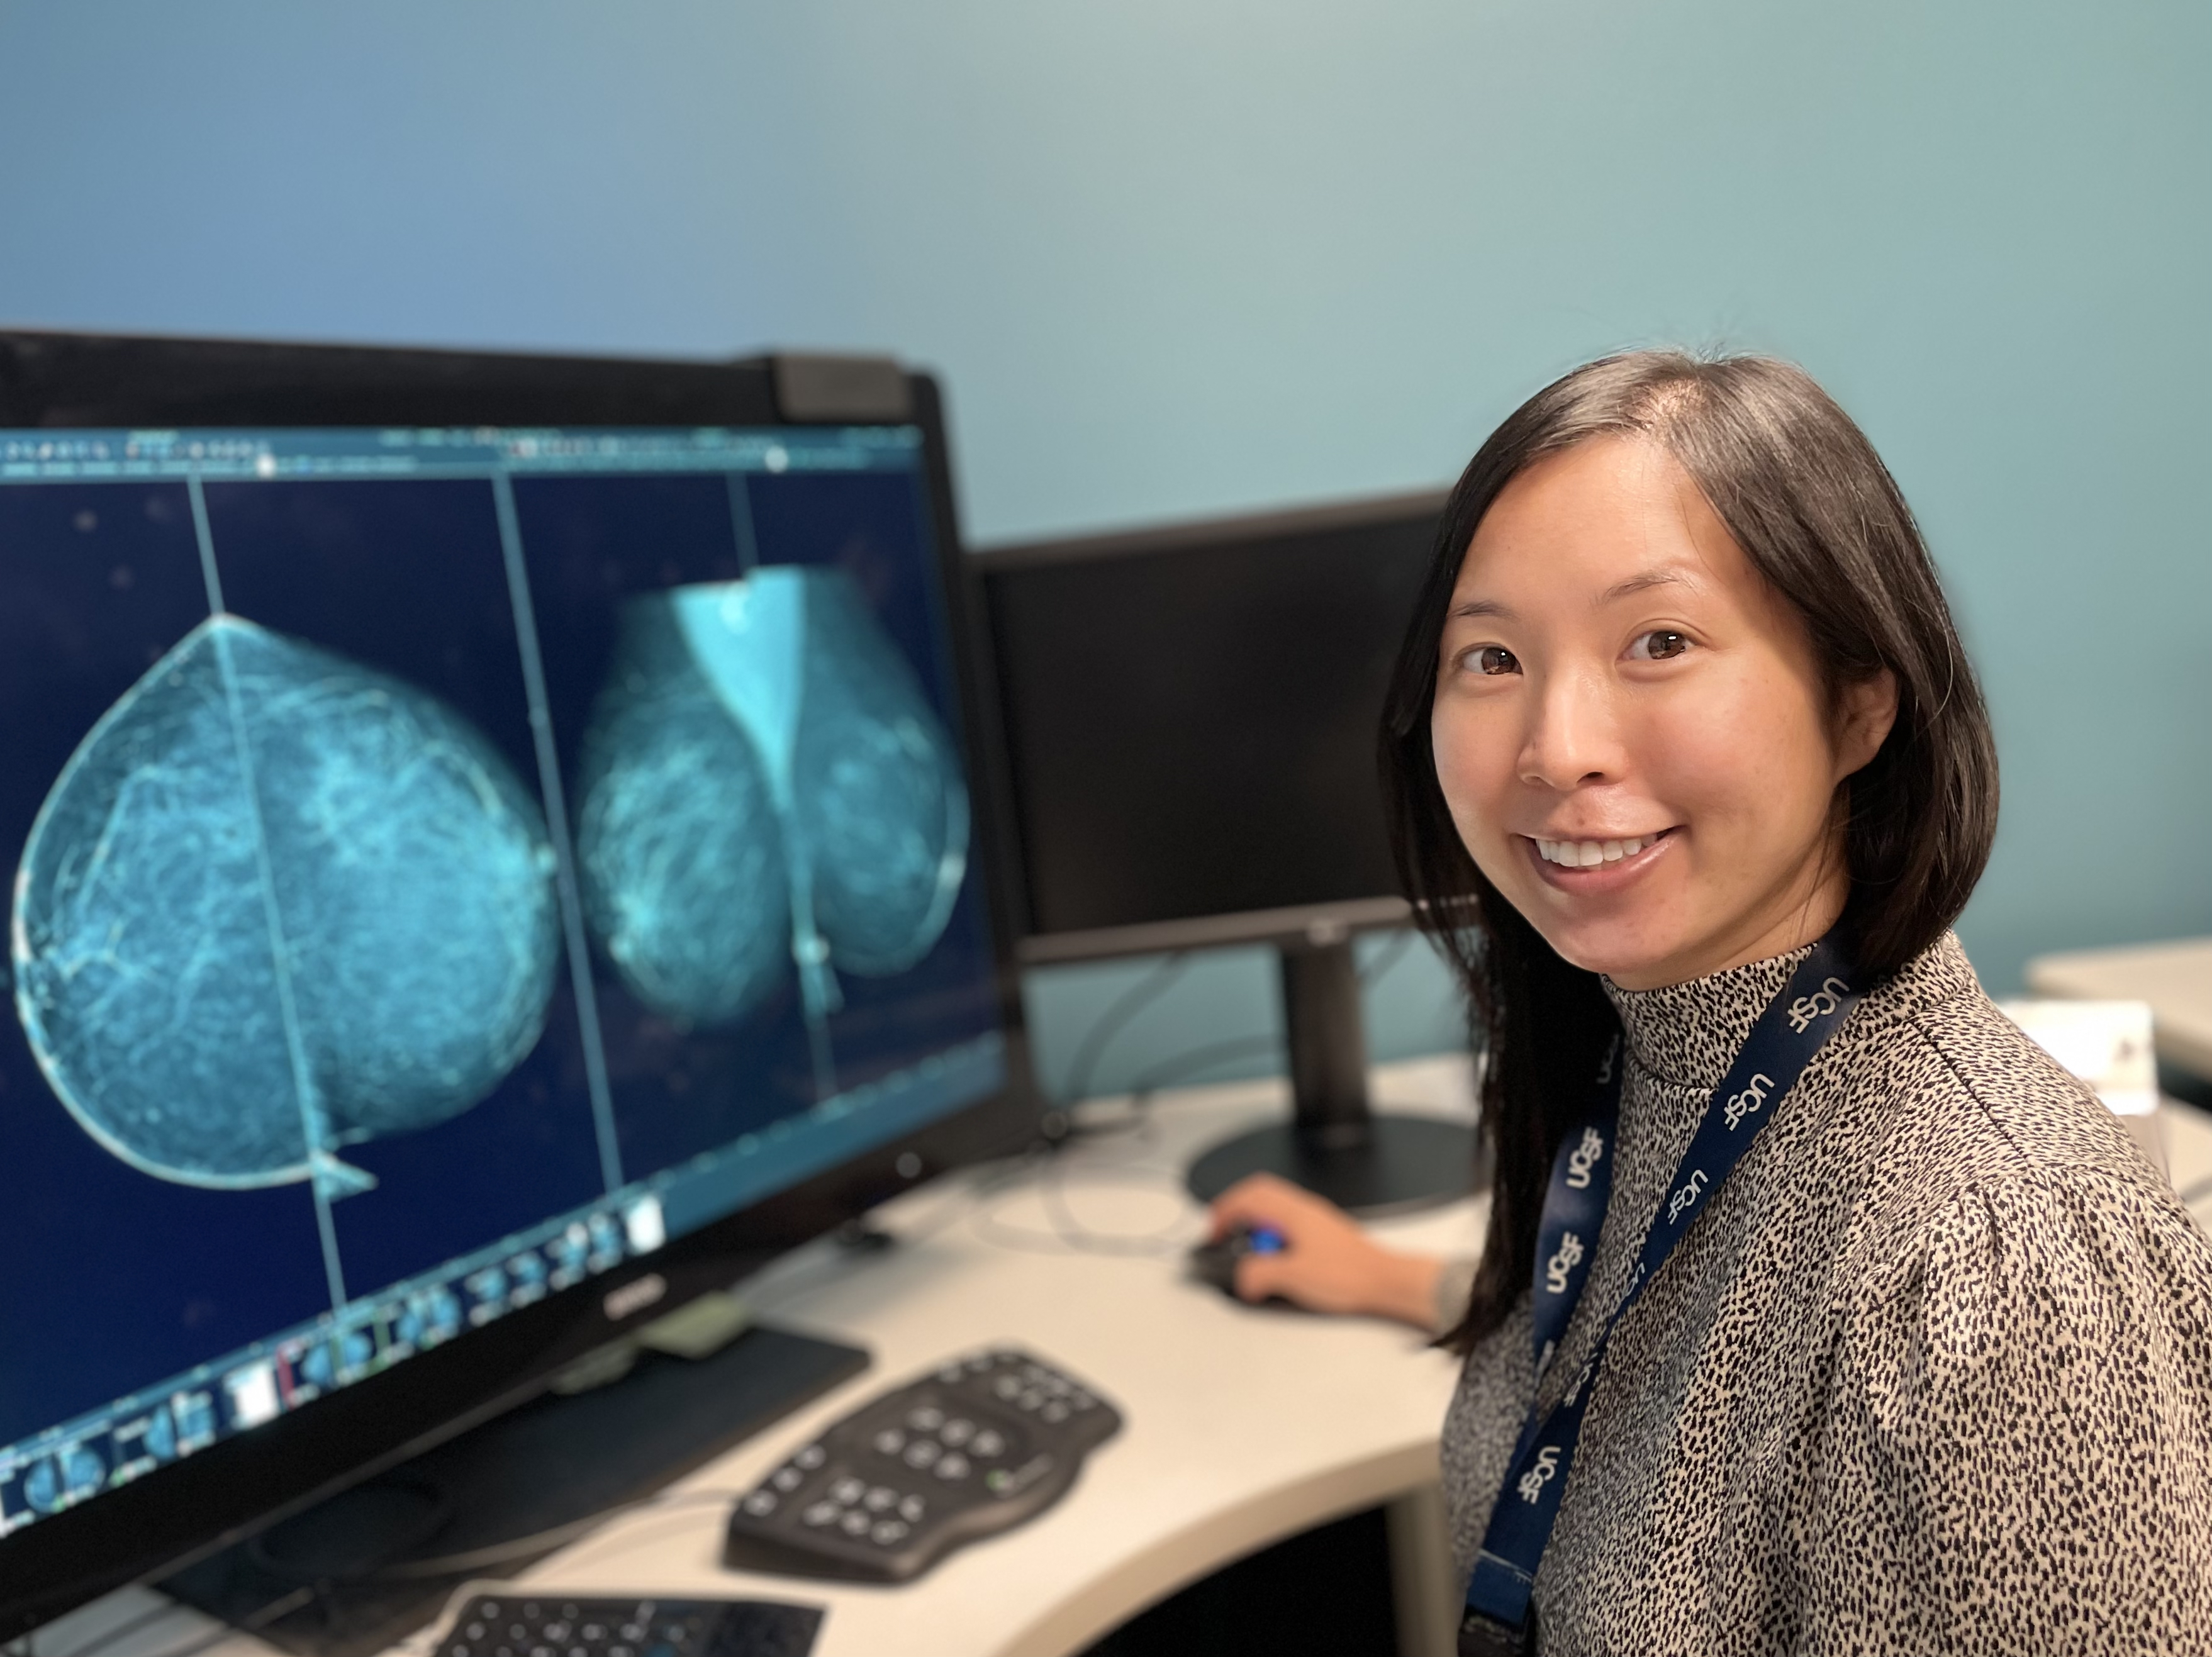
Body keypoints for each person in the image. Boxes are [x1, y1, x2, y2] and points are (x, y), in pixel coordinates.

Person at [1208, 352, 2212, 1651]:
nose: (1558, 745)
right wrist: (1404, 1280)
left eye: (1660, 642)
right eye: (1493, 657)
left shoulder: (1988, 1276)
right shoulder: (1637, 1054)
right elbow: (1695, 1342)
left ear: (1859, 705)